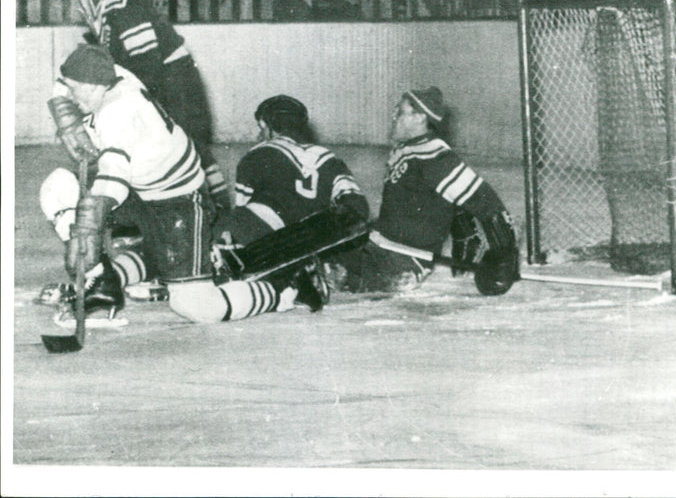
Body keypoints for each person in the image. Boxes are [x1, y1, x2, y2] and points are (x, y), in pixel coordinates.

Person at [40, 44, 326, 324]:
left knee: (194, 306)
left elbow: (113, 181)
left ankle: (286, 289)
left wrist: (87, 228)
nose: (72, 98)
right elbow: (65, 82)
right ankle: (102, 281)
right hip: (139, 188)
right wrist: (64, 108)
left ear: (94, 86)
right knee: (57, 186)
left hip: (177, 201)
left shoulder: (118, 113)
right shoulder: (115, 74)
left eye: (75, 92)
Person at [70, 0, 230, 212]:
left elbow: (145, 59)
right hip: (152, 73)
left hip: (171, 74)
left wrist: (129, 96)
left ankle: (218, 210)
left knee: (188, 141)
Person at [335, 86, 519, 295]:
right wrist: (462, 229)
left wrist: (504, 253)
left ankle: (396, 278)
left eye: (400, 111)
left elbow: (485, 200)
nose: (394, 116)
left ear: (419, 117)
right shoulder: (409, 148)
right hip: (382, 245)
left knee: (326, 272)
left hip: (401, 257)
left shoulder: (433, 155)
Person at [214, 94, 369, 247]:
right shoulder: (329, 158)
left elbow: (241, 207)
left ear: (265, 126)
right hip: (312, 237)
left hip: (265, 232)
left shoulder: (258, 153)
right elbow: (357, 206)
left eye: (261, 129)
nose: (260, 135)